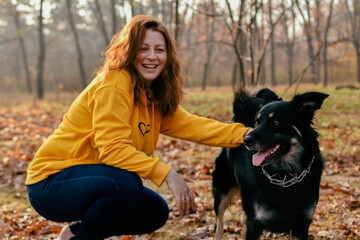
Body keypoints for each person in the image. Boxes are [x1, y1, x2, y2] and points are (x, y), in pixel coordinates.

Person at [26, 15, 251, 240]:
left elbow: (196, 126)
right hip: (51, 183)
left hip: (92, 181)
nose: (152, 56)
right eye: (143, 49)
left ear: (168, 55)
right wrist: (168, 174)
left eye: (159, 50)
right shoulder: (115, 83)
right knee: (125, 184)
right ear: (129, 51)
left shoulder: (152, 94)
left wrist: (248, 135)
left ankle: (75, 234)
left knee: (154, 211)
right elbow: (112, 149)